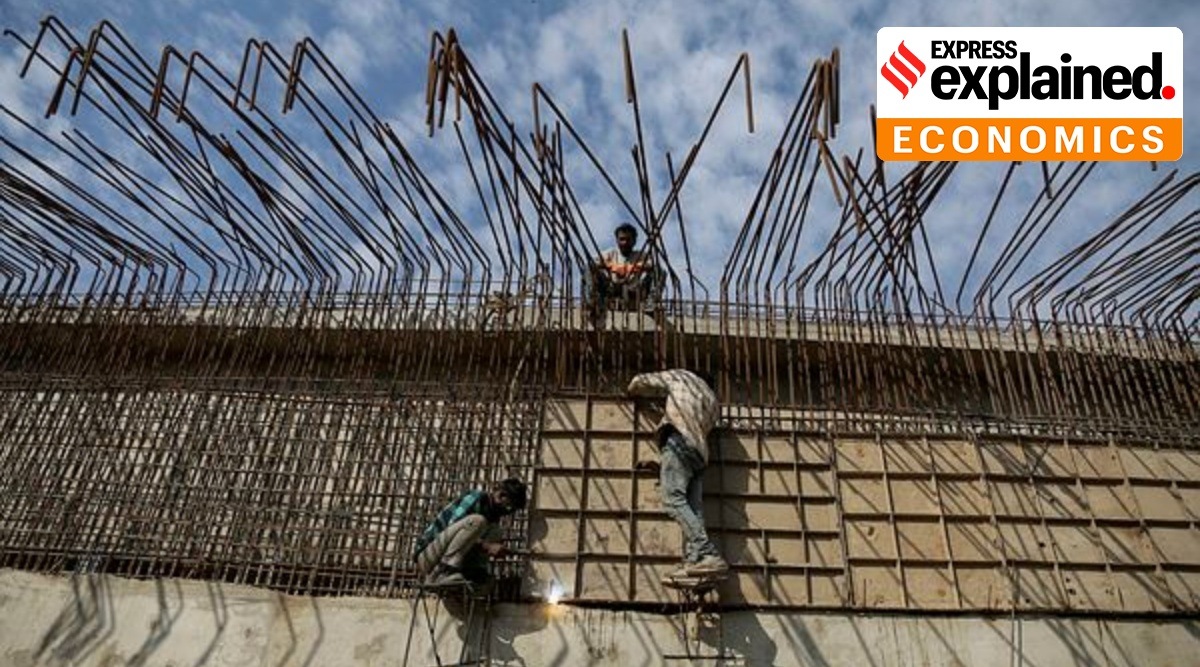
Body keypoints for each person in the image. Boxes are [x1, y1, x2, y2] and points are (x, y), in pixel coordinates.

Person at [627, 369, 729, 583]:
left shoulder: (682, 377)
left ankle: (707, 553)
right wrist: (663, 465)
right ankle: (694, 562)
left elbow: (641, 381)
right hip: (699, 455)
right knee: (693, 510)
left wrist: (631, 390)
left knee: (673, 500)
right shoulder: (713, 403)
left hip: (679, 441)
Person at [414, 477, 528, 587]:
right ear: (501, 495)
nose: (508, 511)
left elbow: (465, 542)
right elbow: (452, 527)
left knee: (495, 530)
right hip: (429, 556)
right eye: (509, 506)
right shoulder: (475, 498)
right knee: (478, 521)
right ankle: (443, 572)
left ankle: (469, 574)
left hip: (451, 558)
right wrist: (487, 546)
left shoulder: (492, 515)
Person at [586, 223, 660, 326]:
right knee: (589, 269)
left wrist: (630, 268)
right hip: (611, 288)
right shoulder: (610, 253)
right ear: (617, 240)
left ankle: (651, 303)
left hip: (633, 290)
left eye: (628, 239)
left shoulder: (641, 255)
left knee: (659, 271)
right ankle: (592, 301)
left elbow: (651, 265)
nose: (624, 243)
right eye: (621, 239)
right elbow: (593, 263)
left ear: (634, 241)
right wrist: (612, 266)